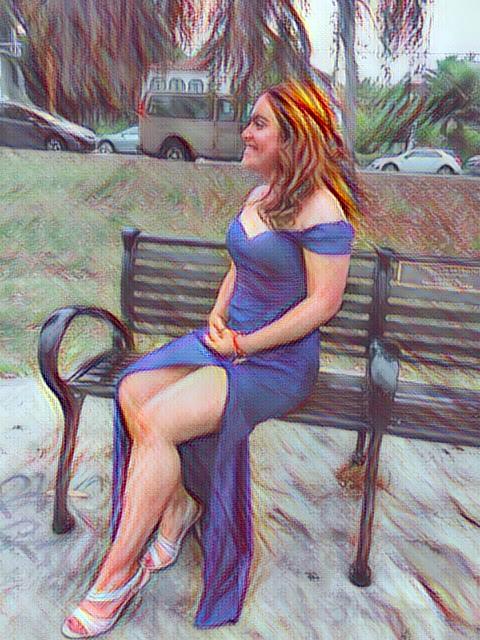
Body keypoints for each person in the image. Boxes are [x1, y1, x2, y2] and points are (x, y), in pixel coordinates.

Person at [62, 76, 362, 638]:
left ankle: (117, 575)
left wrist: (245, 345)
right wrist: (218, 314)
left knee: (158, 420)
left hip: (275, 364)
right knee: (131, 389)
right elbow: (239, 265)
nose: (245, 132)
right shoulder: (262, 194)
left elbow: (322, 304)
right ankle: (178, 509)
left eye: (259, 124)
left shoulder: (322, 210)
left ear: (293, 139)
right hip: (228, 341)